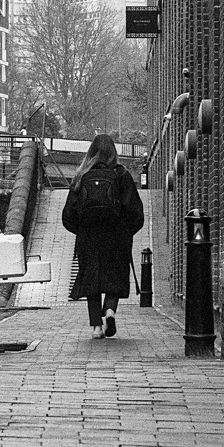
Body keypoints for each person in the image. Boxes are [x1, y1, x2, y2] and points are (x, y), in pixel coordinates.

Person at [61, 134, 145, 339]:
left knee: (91, 280)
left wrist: (82, 230)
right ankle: (109, 311)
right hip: (116, 236)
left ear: (91, 152)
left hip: (88, 238)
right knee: (114, 276)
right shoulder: (121, 174)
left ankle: (96, 327)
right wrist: (125, 232)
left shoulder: (81, 176)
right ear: (113, 152)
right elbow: (136, 212)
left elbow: (68, 215)